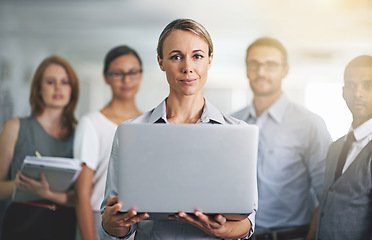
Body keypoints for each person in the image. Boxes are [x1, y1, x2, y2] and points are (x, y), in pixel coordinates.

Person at [99, 18, 256, 240]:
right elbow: (110, 223)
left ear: (210, 60)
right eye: (176, 57)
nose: (188, 68)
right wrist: (112, 223)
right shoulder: (130, 133)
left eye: (197, 56)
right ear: (161, 62)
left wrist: (221, 230)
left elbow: (248, 222)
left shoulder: (238, 133)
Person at [231, 37, 332, 240]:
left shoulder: (310, 124)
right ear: (246, 69)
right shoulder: (230, 123)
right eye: (254, 64)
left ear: (285, 70)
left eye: (271, 65)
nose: (261, 72)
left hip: (293, 236)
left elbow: (328, 194)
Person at [0, 55, 80, 240]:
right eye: (51, 82)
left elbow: (82, 197)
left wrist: (48, 193)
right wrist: (24, 186)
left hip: (64, 225)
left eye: (65, 82)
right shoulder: (15, 127)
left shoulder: (80, 132)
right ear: (38, 88)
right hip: (22, 225)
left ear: (72, 89)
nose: (58, 88)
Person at [74, 45, 143, 240]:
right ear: (106, 77)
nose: (126, 79)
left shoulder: (148, 124)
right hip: (100, 216)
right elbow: (81, 193)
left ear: (140, 75)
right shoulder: (91, 123)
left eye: (133, 72)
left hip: (139, 218)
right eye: (118, 73)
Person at [311, 55, 372, 240]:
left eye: (368, 85)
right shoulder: (336, 147)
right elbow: (326, 202)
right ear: (343, 92)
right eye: (351, 85)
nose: (358, 93)